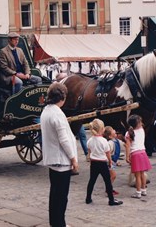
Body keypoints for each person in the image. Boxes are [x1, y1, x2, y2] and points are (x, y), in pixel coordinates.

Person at [40, 82, 79, 227]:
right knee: (62, 196)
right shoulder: (57, 113)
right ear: (62, 97)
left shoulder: (46, 110)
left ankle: (54, 222)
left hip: (53, 158)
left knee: (54, 194)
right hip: (61, 159)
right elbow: (64, 139)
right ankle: (59, 223)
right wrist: (73, 158)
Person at [85, 118, 123, 206]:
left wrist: (90, 160)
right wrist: (110, 162)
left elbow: (89, 151)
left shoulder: (90, 140)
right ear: (102, 130)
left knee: (92, 181)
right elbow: (108, 153)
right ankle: (111, 200)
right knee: (107, 181)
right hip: (102, 162)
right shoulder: (104, 141)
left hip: (94, 162)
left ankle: (88, 198)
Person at [125, 115, 152, 199]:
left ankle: (138, 192)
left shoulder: (129, 133)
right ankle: (144, 190)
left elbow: (128, 146)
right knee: (142, 174)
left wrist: (127, 156)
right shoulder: (142, 130)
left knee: (137, 176)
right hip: (143, 153)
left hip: (135, 155)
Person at [103, 126, 124, 195]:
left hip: (113, 161)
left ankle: (109, 189)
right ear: (110, 136)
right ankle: (108, 189)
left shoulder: (116, 140)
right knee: (113, 176)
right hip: (109, 162)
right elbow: (107, 152)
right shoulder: (110, 143)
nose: (114, 130)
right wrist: (109, 160)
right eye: (112, 130)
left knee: (110, 176)